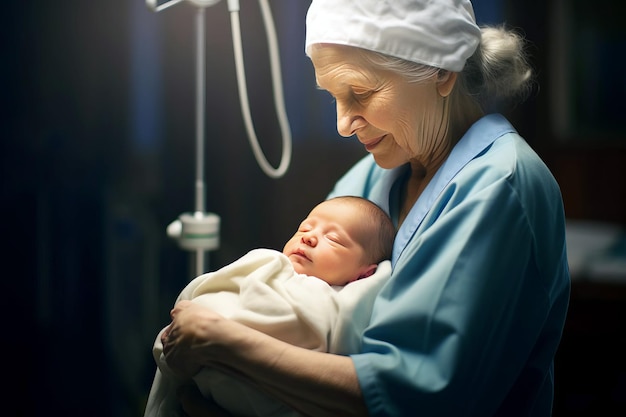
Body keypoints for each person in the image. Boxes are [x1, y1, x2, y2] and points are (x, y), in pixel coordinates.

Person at [160, 1, 571, 416]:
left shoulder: (502, 187)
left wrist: (229, 345)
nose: (343, 124)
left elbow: (417, 397)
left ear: (441, 71)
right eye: (334, 97)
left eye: (360, 93)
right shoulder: (367, 183)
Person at [144, 196, 396, 417]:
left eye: (333, 239)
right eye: (304, 228)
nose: (308, 237)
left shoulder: (339, 302)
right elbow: (216, 293)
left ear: (364, 275)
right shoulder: (268, 268)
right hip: (200, 372)